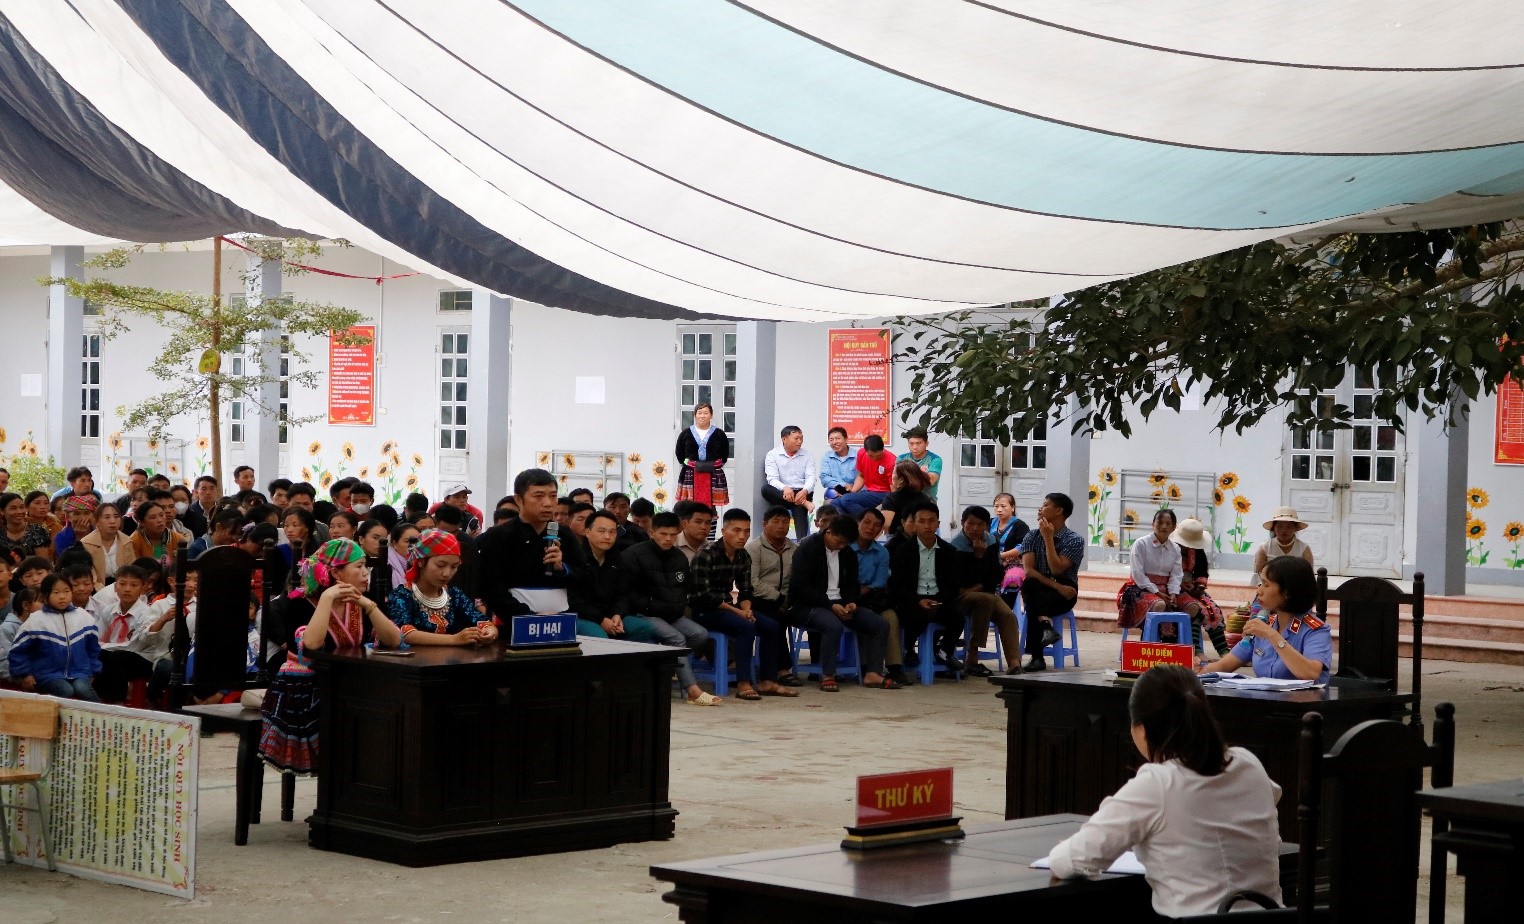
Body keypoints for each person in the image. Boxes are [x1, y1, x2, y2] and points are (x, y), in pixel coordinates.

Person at [1047, 665, 1283, 918]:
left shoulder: (1157, 783)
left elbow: (1072, 861)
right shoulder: (1248, 763)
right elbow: (1271, 802)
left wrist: (1064, 849)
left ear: (1141, 729)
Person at [260, 539, 402, 773]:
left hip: (348, 684)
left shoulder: (362, 601)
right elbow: (312, 645)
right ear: (336, 572)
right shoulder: (298, 603)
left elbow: (394, 640)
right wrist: (326, 599)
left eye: (366, 566)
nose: (366, 573)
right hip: (306, 689)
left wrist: (369, 606)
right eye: (359, 567)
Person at [688, 509, 796, 701]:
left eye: (746, 531)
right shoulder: (706, 555)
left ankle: (768, 680)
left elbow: (746, 589)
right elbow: (703, 595)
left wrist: (746, 609)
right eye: (736, 530)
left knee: (771, 626)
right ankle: (743, 682)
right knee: (746, 627)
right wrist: (737, 612)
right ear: (724, 531)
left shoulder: (743, 555)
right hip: (704, 611)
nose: (742, 536)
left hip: (730, 609)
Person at [622, 511, 722, 706]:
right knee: (677, 638)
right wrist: (651, 606)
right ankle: (692, 690)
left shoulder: (678, 557)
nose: (668, 539)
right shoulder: (633, 555)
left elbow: (685, 588)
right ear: (652, 532)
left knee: (700, 634)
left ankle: (672, 666)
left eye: (672, 535)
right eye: (663, 534)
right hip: (643, 613)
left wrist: (677, 606)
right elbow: (629, 593)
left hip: (671, 613)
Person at [789, 514, 897, 689]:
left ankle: (873, 673)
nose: (842, 546)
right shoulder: (807, 549)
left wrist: (851, 602)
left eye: (845, 543)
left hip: (840, 603)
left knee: (880, 625)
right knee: (833, 625)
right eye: (839, 542)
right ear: (829, 532)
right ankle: (828, 675)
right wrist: (831, 605)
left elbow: (852, 584)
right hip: (808, 605)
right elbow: (801, 587)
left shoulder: (847, 552)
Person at [1200, 556, 1331, 684]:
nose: (1259, 591)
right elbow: (1224, 666)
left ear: (1287, 592)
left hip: (1303, 699)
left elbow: (1311, 673)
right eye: (1260, 583)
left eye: (1266, 584)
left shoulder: (1315, 631)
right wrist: (1198, 669)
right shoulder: (1264, 625)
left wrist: (1272, 636)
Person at [477, 469, 580, 621]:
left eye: (553, 496)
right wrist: (528, 616)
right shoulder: (498, 535)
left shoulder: (564, 534)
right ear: (519, 499)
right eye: (538, 496)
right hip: (511, 621)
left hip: (560, 621)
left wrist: (561, 568)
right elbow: (491, 587)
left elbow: (585, 578)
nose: (548, 503)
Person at [385, 528, 497, 646]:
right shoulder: (402, 595)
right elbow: (405, 633)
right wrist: (454, 639)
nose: (447, 573)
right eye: (440, 565)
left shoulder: (454, 595)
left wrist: (489, 631)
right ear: (421, 561)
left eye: (454, 567)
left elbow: (484, 622)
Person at [889, 501, 963, 675]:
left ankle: (944, 651)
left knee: (958, 616)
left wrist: (940, 600)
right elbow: (898, 585)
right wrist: (917, 600)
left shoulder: (949, 552)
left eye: (931, 521)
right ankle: (908, 649)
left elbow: (954, 585)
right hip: (913, 600)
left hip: (940, 600)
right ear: (914, 524)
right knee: (915, 614)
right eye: (921, 521)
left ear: (938, 523)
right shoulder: (903, 552)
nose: (927, 526)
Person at [949, 505, 1024, 676]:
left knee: (1007, 615)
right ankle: (972, 656)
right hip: (960, 597)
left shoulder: (991, 541)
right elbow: (958, 579)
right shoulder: (954, 546)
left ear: (986, 525)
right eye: (971, 524)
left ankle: (1014, 662)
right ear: (963, 523)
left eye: (980, 524)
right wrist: (977, 557)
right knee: (986, 599)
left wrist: (980, 584)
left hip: (985, 593)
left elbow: (996, 574)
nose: (975, 528)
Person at [7, 573, 101, 700]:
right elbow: (18, 651)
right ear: (45, 596)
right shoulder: (36, 621)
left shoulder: (84, 617)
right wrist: (25, 674)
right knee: (66, 690)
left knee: (83, 689)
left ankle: (103, 713)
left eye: (66, 591)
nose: (62, 596)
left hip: (79, 672)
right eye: (56, 592)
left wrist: (93, 670)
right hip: (47, 674)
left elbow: (93, 648)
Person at [1018, 492, 1084, 672]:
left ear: (1059, 511)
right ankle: (1046, 626)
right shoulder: (1031, 536)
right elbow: (1029, 570)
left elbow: (1057, 569)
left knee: (1033, 600)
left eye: (1046, 505)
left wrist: (1048, 538)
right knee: (1030, 586)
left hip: (1064, 593)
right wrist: (1058, 587)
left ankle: (1037, 657)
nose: (1040, 509)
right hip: (1045, 587)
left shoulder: (1074, 540)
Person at [569, 511, 660, 642]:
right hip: (583, 615)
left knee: (644, 628)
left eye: (612, 532)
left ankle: (623, 655)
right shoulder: (575, 558)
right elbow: (574, 599)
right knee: (600, 637)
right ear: (587, 532)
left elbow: (623, 593)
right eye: (601, 531)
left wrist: (617, 614)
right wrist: (601, 620)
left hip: (610, 614)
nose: (607, 536)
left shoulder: (617, 558)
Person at [854, 508, 912, 685]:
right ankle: (866, 667)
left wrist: (864, 589)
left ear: (880, 531)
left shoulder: (882, 552)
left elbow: (879, 583)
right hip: (849, 600)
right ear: (858, 523)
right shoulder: (845, 549)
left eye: (877, 525)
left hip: (872, 599)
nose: (871, 528)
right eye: (867, 522)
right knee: (869, 618)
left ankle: (894, 667)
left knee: (891, 616)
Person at [747, 506, 802, 687]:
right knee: (775, 619)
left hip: (787, 600)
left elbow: (796, 580)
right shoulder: (754, 548)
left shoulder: (795, 549)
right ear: (765, 524)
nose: (781, 526)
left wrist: (788, 599)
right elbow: (753, 582)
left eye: (785, 522)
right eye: (776, 522)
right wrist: (778, 598)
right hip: (759, 600)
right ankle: (781, 669)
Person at [92, 563, 161, 703]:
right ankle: (97, 699)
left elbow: (134, 646)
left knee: (116, 657)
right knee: (101, 656)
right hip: (113, 655)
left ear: (143, 587)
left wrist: (105, 647)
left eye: (134, 585)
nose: (127, 589)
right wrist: (102, 648)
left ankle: (116, 701)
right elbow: (96, 637)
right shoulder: (108, 611)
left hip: (142, 658)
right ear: (115, 586)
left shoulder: (147, 613)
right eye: (122, 584)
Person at [1117, 509, 1185, 637]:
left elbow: (1176, 574)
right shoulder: (1140, 544)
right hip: (1140, 589)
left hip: (1166, 590)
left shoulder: (1175, 548)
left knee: (1191, 606)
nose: (1164, 526)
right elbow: (1137, 574)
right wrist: (1156, 591)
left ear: (1173, 527)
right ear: (1153, 524)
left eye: (1168, 523)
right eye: (1160, 522)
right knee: (1159, 604)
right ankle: (1148, 641)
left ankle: (1180, 645)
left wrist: (1173, 593)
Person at [1171, 518, 1231, 657]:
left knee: (1213, 610)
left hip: (1193, 589)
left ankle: (1223, 650)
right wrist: (1180, 586)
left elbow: (1202, 572)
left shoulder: (1197, 551)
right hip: (1174, 589)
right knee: (1195, 610)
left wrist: (1199, 587)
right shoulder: (1170, 549)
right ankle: (1196, 650)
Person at [761, 425, 818, 538]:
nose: (799, 441)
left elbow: (811, 478)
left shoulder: (808, 455)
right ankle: (803, 503)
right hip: (782, 495)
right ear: (784, 439)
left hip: (802, 492)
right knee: (766, 489)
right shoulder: (772, 455)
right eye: (796, 438)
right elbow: (772, 479)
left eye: (801, 438)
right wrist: (785, 488)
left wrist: (805, 491)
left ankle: (802, 542)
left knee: (799, 508)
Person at [676, 401, 731, 510]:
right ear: (695, 415)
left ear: (711, 415)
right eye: (699, 413)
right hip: (691, 472)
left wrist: (715, 464)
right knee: (690, 506)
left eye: (706, 413)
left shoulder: (719, 434)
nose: (702, 416)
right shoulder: (685, 433)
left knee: (711, 508)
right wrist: (688, 463)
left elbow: (724, 454)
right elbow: (679, 453)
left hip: (713, 472)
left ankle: (711, 521)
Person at [833, 434, 896, 518]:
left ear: (883, 449)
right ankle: (847, 524)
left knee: (846, 499)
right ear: (865, 451)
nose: (875, 459)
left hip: (884, 493)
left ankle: (868, 520)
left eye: (878, 455)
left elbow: (894, 489)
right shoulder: (861, 453)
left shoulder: (891, 460)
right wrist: (851, 492)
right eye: (871, 456)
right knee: (835, 502)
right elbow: (861, 476)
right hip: (869, 491)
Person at [430, 502, 480, 597]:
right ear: (434, 523)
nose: (450, 537)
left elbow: (473, 583)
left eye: (454, 532)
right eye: (444, 532)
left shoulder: (468, 547)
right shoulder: (425, 547)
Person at [879, 459, 934, 542]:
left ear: (901, 479)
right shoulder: (925, 498)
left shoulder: (892, 498)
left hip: (896, 541)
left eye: (893, 473)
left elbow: (885, 524)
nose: (891, 475)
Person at [1252, 506, 1316, 574]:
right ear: (1273, 528)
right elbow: (1259, 573)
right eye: (1280, 526)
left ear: (1295, 528)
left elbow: (1308, 574)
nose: (1284, 530)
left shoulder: (1304, 549)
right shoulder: (1265, 548)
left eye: (1288, 526)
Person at [0, 492, 52, 565]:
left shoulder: (37, 531)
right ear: (2, 511)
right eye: (13, 508)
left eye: (22, 507)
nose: (19, 512)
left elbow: (43, 562)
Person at [128, 499, 184, 567]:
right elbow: (134, 569)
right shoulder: (134, 541)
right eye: (153, 517)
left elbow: (182, 566)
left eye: (161, 515)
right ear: (142, 522)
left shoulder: (177, 538)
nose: (159, 520)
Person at [991, 492, 1030, 589]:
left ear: (1012, 508)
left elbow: (1022, 547)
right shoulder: (990, 522)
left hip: (1013, 564)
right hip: (991, 562)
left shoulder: (1020, 526)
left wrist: (1001, 556)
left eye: (1003, 506)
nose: (999, 509)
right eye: (996, 506)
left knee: (1012, 579)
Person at [898, 426, 943, 499]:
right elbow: (896, 480)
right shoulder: (901, 458)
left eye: (918, 443)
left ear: (926, 443)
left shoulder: (935, 459)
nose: (915, 447)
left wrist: (907, 476)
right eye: (911, 443)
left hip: (927, 501)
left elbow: (930, 481)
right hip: (904, 499)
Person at [53, 494, 98, 558]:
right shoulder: (62, 537)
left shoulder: (100, 534)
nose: (82, 518)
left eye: (86, 513)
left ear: (93, 516)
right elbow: (70, 561)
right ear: (68, 517)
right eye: (76, 514)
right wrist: (80, 538)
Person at [818, 426, 856, 502]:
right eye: (831, 440)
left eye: (838, 438)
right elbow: (824, 478)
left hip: (856, 492)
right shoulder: (827, 457)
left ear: (846, 439)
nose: (834, 442)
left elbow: (863, 478)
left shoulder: (858, 456)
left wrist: (852, 490)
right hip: (835, 493)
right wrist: (843, 486)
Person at [387, 521, 421, 591]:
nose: (413, 545)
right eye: (407, 541)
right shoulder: (386, 565)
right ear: (395, 544)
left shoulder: (423, 564)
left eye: (416, 541)